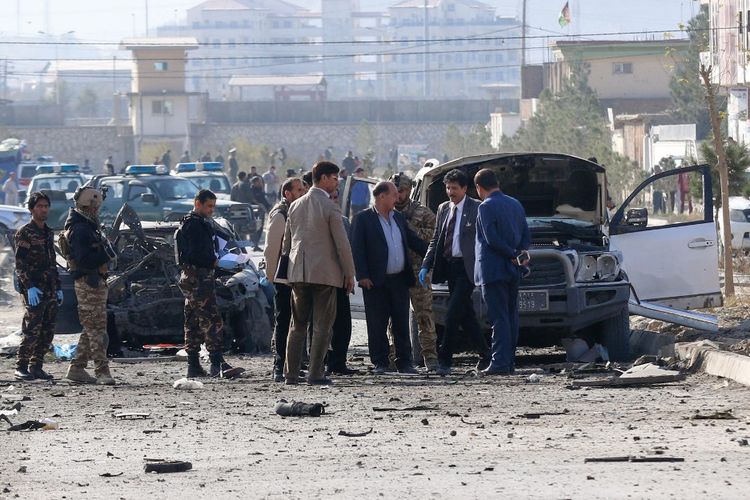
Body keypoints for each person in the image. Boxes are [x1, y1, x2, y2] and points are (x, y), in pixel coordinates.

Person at [281, 161, 355, 385]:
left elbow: (287, 243)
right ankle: (315, 374)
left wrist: (288, 269)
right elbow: (342, 244)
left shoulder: (295, 205)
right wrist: (349, 274)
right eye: (334, 178)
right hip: (324, 274)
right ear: (323, 178)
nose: (336, 182)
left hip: (299, 273)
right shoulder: (330, 207)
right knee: (323, 326)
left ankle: (290, 374)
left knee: (297, 325)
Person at [351, 181, 427, 375]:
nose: (398, 197)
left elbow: (413, 241)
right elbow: (357, 249)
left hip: (399, 280)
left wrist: (433, 255)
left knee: (401, 323)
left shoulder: (399, 218)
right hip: (375, 282)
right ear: (381, 196)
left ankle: (405, 363)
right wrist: (362, 276)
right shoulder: (363, 219)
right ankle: (380, 362)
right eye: (394, 194)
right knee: (377, 324)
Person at [420, 169, 490, 376]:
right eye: (448, 188)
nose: (451, 192)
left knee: (452, 314)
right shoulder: (443, 209)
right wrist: (426, 264)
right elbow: (436, 239)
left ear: (464, 188)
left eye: (454, 188)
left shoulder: (476, 208)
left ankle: (445, 360)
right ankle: (486, 354)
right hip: (450, 267)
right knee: (466, 314)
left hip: (467, 269)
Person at [175, 189, 244, 379]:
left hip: (193, 278)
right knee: (212, 319)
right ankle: (216, 362)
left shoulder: (194, 223)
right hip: (199, 279)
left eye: (213, 206)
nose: (211, 210)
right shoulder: (195, 225)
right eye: (208, 206)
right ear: (198, 203)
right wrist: (216, 261)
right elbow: (199, 254)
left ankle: (194, 365)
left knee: (193, 321)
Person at [474, 169, 530, 376]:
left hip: (493, 269)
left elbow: (491, 238)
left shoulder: (485, 207)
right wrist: (519, 255)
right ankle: (509, 362)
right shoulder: (515, 204)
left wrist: (510, 254)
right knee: (511, 315)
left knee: (498, 317)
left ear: (479, 188)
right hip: (513, 270)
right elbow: (525, 235)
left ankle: (499, 363)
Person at [63, 187, 117, 385]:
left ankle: (76, 368)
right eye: (94, 207)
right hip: (88, 283)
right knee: (97, 330)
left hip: (94, 282)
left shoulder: (86, 226)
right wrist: (107, 253)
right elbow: (84, 259)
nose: (97, 211)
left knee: (90, 328)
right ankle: (102, 371)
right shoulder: (80, 229)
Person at [389, 173, 439, 371]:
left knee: (424, 316)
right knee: (394, 318)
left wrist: (408, 228)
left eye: (401, 191)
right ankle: (394, 358)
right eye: (394, 191)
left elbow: (435, 236)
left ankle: (430, 357)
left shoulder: (423, 213)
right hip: (396, 271)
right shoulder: (386, 212)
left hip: (418, 270)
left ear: (409, 190)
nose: (398, 195)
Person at [13, 192, 61, 381]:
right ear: (32, 209)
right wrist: (29, 286)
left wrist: (58, 287)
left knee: (47, 331)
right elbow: (20, 264)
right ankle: (21, 367)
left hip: (49, 287)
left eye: (46, 206)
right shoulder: (25, 232)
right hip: (34, 289)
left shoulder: (48, 232)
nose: (43, 209)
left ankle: (36, 366)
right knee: (32, 329)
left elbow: (52, 261)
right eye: (40, 206)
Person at [264, 177, 305, 382]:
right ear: (287, 193)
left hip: (298, 276)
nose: (301, 192)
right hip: (283, 278)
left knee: (297, 322)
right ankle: (279, 365)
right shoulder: (280, 214)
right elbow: (272, 248)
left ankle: (293, 364)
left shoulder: (297, 211)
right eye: (298, 190)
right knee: (283, 322)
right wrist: (272, 276)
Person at [327, 188, 356, 375]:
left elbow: (348, 250)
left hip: (340, 279)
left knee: (343, 324)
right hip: (322, 280)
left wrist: (349, 274)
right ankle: (320, 362)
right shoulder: (316, 219)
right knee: (320, 325)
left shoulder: (344, 221)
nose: (334, 200)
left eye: (336, 197)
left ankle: (338, 362)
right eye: (330, 196)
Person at [250, 176, 271, 251]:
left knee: (260, 228)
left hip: (261, 210)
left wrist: (268, 207)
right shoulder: (251, 190)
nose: (260, 183)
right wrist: (259, 204)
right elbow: (252, 199)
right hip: (255, 211)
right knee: (256, 228)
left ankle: (256, 244)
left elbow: (263, 199)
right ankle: (254, 244)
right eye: (259, 182)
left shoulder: (260, 189)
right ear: (254, 182)